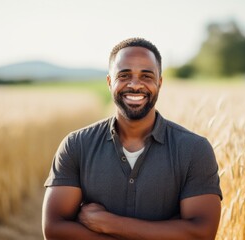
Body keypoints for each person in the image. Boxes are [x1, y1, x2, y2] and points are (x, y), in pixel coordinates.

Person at [42, 37, 223, 239]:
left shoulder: (194, 150)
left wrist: (109, 223)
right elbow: (55, 230)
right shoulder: (76, 145)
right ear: (110, 82)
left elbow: (201, 234)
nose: (135, 85)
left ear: (159, 83)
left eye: (146, 76)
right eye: (124, 75)